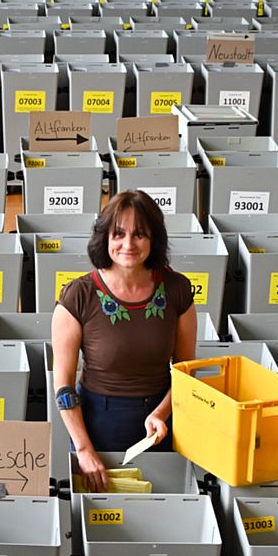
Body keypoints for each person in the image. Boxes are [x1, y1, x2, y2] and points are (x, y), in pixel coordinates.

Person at [53, 190, 199, 492]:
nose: (128, 245)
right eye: (118, 234)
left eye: (140, 234)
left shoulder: (177, 289)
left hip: (162, 423)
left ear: (153, 239)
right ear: (105, 238)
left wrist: (161, 413)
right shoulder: (77, 296)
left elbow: (186, 369)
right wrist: (83, 448)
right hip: (98, 425)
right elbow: (64, 386)